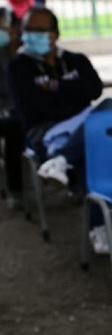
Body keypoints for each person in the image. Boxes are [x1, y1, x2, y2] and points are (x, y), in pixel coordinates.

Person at [8, 6, 112, 253]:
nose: (31, 35)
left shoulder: (76, 60)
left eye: (39, 30)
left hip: (83, 123)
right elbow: (30, 110)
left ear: (54, 34)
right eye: (28, 29)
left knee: (111, 106)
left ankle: (63, 161)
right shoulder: (18, 68)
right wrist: (70, 92)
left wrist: (53, 91)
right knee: (93, 150)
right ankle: (98, 224)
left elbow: (95, 89)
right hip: (46, 132)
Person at [0, 6, 24, 209]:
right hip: (6, 112)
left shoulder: (25, 57)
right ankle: (15, 190)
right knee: (12, 127)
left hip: (21, 110)